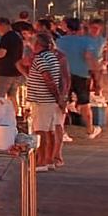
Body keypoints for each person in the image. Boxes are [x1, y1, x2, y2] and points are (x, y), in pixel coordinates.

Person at [22, 32, 66, 171]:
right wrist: (58, 98)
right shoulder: (52, 56)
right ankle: (50, 160)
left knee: (40, 131)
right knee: (50, 131)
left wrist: (58, 97)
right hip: (50, 101)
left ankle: (41, 162)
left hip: (42, 101)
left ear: (37, 44)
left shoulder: (40, 58)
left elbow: (48, 79)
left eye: (33, 42)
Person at [56, 18, 103, 139]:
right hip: (82, 75)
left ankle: (62, 131)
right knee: (84, 103)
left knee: (63, 103)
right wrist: (97, 77)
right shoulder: (86, 42)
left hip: (63, 75)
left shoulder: (60, 41)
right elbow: (89, 58)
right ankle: (90, 130)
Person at [0, 17, 24, 102]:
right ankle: (13, 114)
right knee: (12, 97)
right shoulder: (17, 37)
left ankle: (0, 115)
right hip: (15, 72)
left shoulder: (6, 37)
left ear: (4, 25)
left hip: (4, 73)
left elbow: (1, 54)